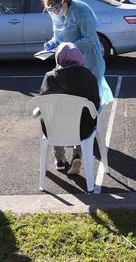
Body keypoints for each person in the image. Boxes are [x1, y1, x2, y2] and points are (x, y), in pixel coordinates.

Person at [41, 0, 113, 105]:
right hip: (68, 60)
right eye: (51, 9)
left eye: (56, 8)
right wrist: (53, 43)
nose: (54, 12)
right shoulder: (55, 13)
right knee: (72, 93)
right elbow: (59, 34)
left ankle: (91, 120)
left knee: (89, 93)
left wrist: (69, 49)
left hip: (89, 58)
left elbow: (89, 38)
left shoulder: (81, 10)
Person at [39, 42, 100, 174]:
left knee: (53, 118)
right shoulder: (89, 76)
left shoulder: (50, 77)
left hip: (55, 130)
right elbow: (96, 102)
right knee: (82, 116)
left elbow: (42, 101)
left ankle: (60, 159)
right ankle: (77, 154)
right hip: (83, 130)